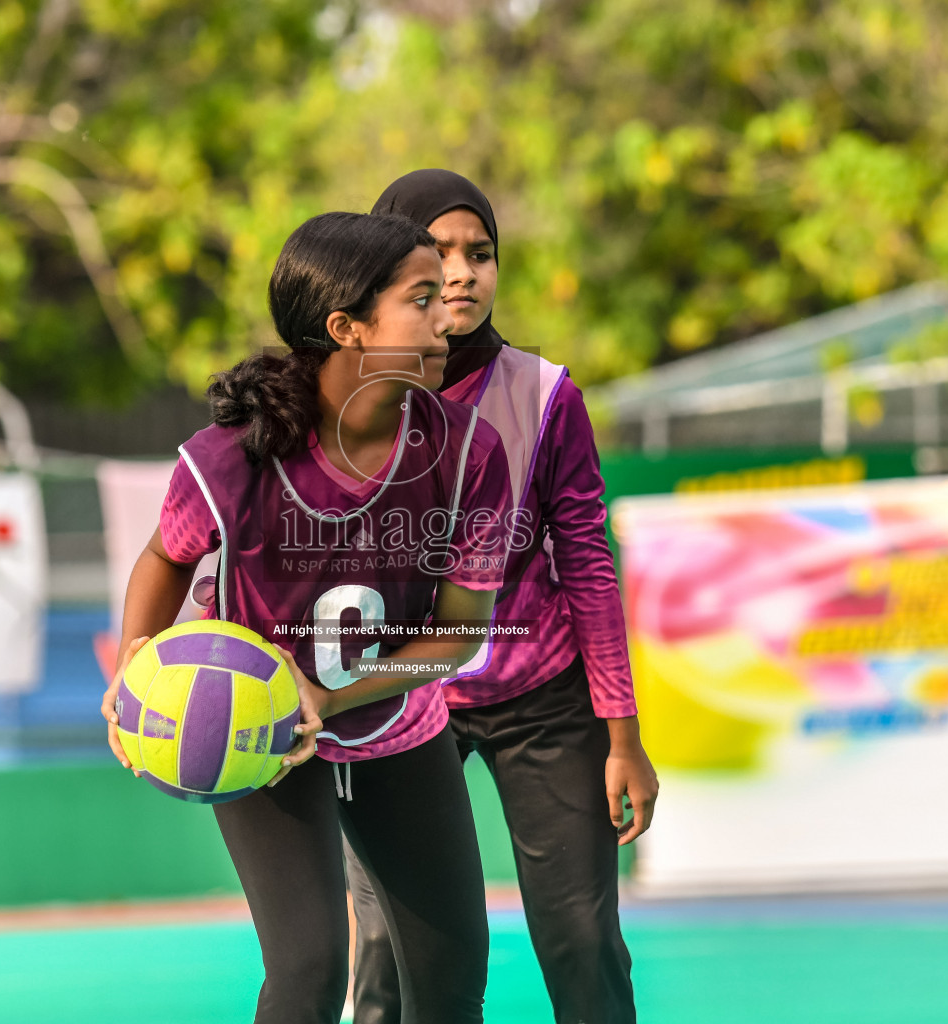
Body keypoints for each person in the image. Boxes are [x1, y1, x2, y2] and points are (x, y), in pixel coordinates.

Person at [100, 211, 514, 1024]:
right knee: (310, 971)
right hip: (257, 730)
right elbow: (165, 558)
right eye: (421, 299)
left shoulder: (472, 454)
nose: (448, 313)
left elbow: (461, 634)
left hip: (398, 721)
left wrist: (331, 696)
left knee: (453, 978)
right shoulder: (227, 461)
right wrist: (134, 666)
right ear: (347, 328)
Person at [346, 170, 660, 1024]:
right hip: (400, 702)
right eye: (436, 253)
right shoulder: (342, 402)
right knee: (385, 953)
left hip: (541, 698)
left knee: (581, 941)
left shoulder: (545, 395)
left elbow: (590, 567)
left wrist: (622, 735)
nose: (461, 273)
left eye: (479, 253)